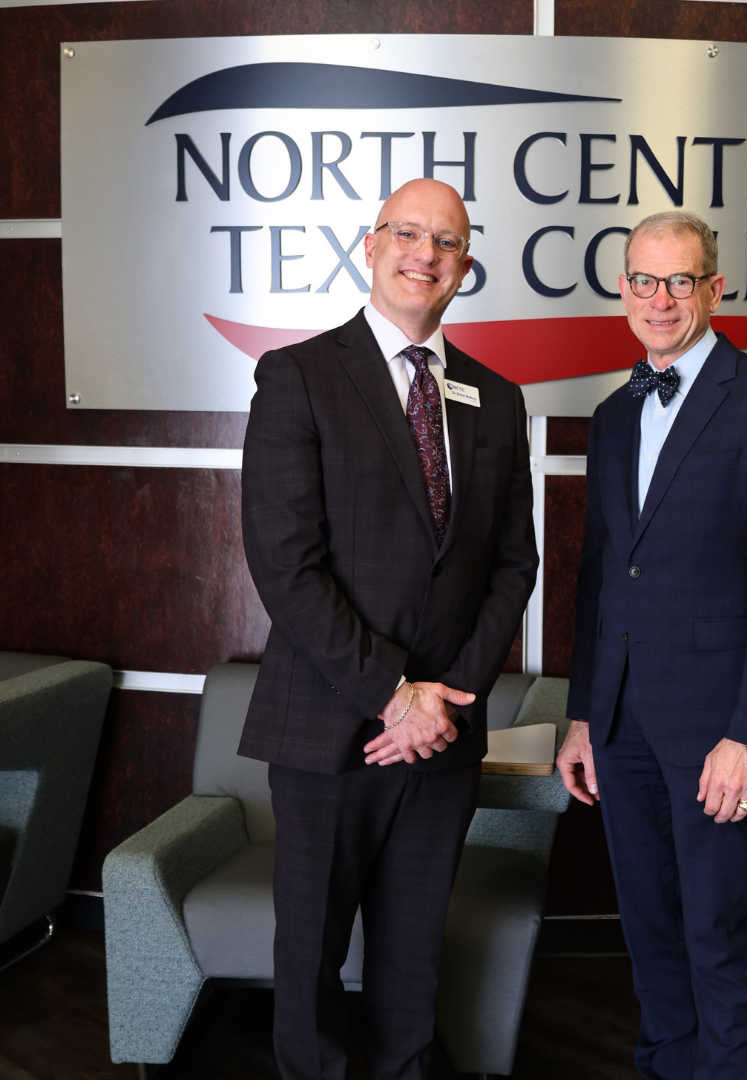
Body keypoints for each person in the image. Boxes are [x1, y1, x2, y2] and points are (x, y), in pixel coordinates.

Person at [239, 178, 538, 1080]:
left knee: (414, 961)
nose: (426, 254)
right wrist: (392, 693)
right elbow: (287, 565)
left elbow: (511, 566)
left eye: (447, 243)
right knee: (312, 961)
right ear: (369, 247)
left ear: (466, 268)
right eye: (407, 234)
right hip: (333, 728)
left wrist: (445, 701)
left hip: (442, 733)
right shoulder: (299, 376)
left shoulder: (496, 396)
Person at [556, 211, 747, 1080]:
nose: (660, 298)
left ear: (715, 287)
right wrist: (582, 716)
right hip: (623, 722)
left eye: (681, 280)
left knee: (718, 935)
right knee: (652, 934)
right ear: (623, 291)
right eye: (644, 279)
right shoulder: (612, 411)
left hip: (717, 728)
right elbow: (600, 575)